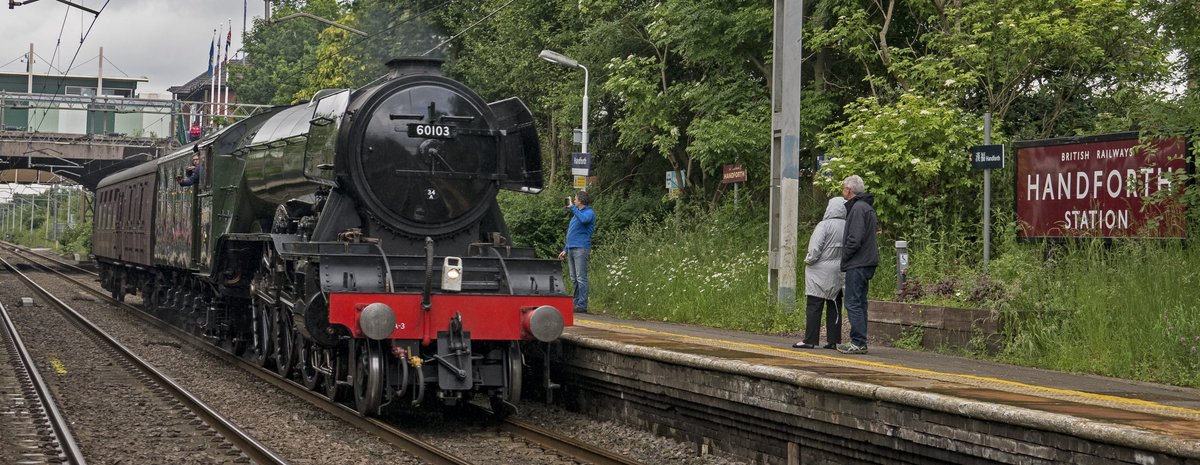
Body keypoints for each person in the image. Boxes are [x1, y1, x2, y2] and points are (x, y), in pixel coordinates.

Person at [793, 197, 846, 349]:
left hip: (819, 271)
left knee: (814, 305)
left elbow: (815, 249)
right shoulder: (847, 225)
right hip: (839, 270)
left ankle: (810, 339)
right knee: (834, 305)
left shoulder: (824, 226)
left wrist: (809, 260)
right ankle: (834, 341)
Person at [836, 175, 878, 355]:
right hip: (866, 261)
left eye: (843, 188)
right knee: (860, 302)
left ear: (848, 190)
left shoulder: (858, 209)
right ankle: (859, 340)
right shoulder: (865, 207)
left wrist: (845, 256)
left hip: (858, 262)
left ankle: (858, 342)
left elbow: (855, 238)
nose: (842, 191)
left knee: (853, 302)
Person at [558, 190, 596, 314]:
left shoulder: (589, 213)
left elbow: (584, 220)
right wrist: (565, 249)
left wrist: (572, 208)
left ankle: (582, 304)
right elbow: (572, 234)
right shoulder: (576, 214)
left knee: (581, 278)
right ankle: (576, 302)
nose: (573, 201)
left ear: (580, 201)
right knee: (574, 278)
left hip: (581, 248)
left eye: (575, 199)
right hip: (572, 248)